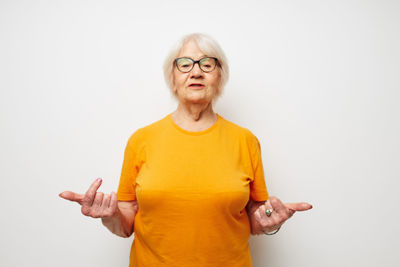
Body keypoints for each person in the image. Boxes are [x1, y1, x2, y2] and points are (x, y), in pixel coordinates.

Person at [59, 33, 312, 267]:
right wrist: (110, 215)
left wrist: (270, 220)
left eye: (207, 64)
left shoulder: (245, 140)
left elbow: (257, 217)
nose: (196, 72)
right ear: (172, 77)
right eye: (185, 64)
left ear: (220, 76)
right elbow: (125, 223)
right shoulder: (141, 140)